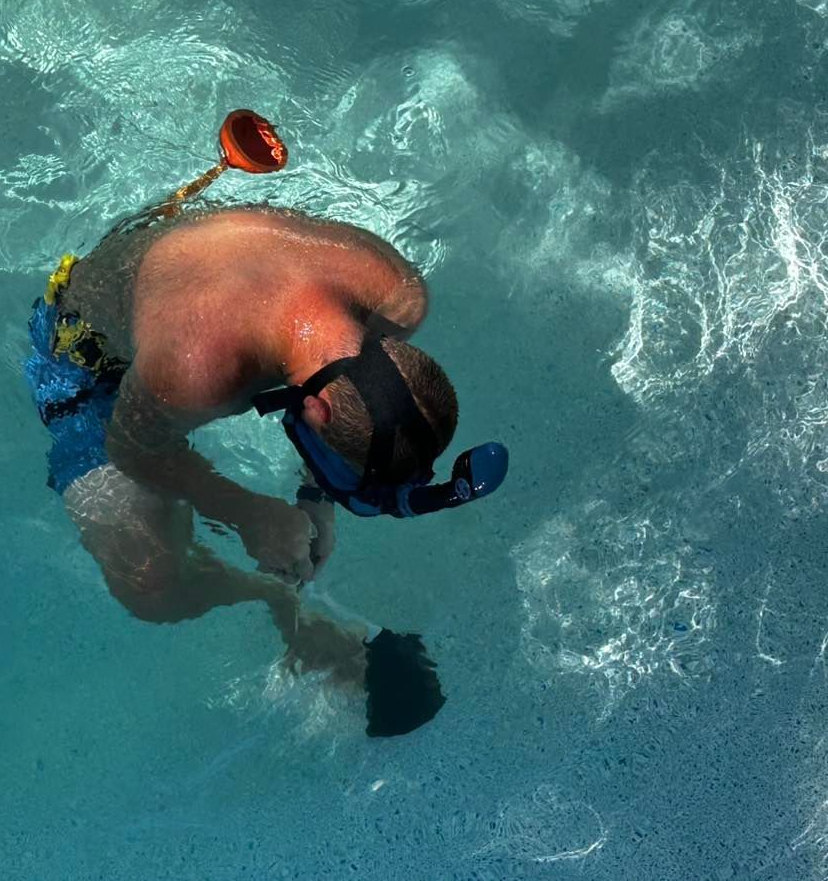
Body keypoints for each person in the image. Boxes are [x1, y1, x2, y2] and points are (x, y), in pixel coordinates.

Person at [25, 200, 503, 735]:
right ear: (314, 408)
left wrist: (318, 498)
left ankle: (288, 598)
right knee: (152, 587)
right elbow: (131, 447)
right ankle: (273, 597)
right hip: (87, 360)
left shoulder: (397, 295)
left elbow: (361, 397)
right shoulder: (194, 369)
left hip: (195, 252)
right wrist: (245, 512)